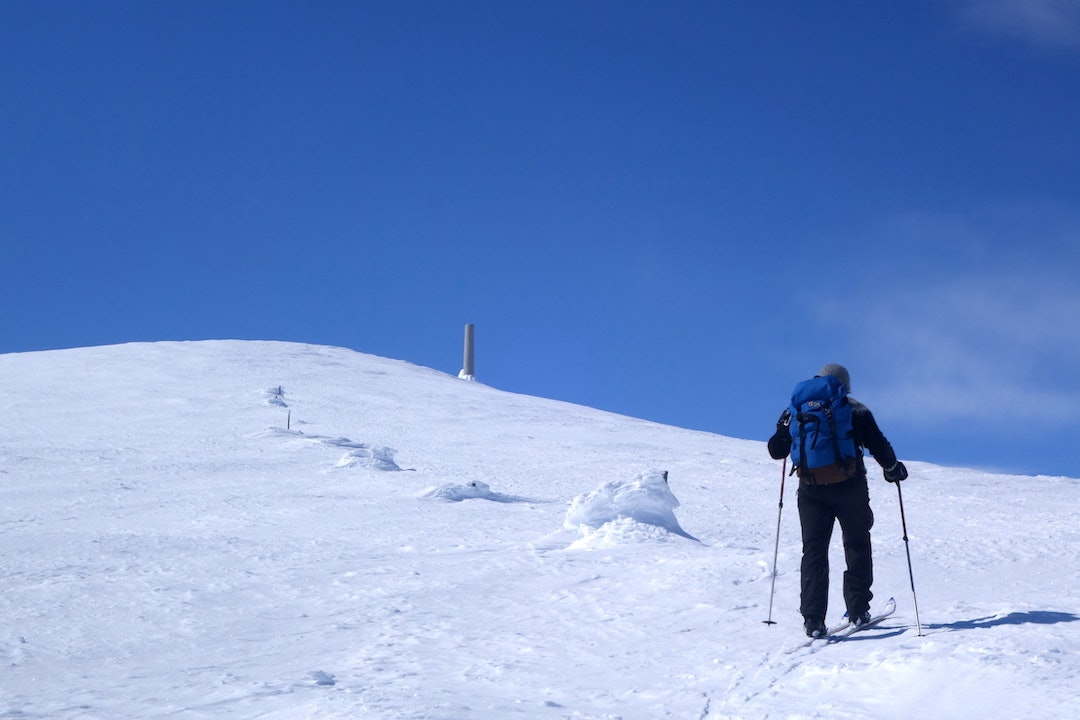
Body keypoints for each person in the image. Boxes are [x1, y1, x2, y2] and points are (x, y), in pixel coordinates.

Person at [768, 363, 908, 637]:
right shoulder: (854, 408)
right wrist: (893, 469)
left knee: (814, 551)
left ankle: (813, 621)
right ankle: (858, 609)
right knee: (856, 543)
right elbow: (878, 444)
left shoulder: (794, 410)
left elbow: (776, 450)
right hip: (850, 486)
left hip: (811, 489)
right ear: (844, 385)